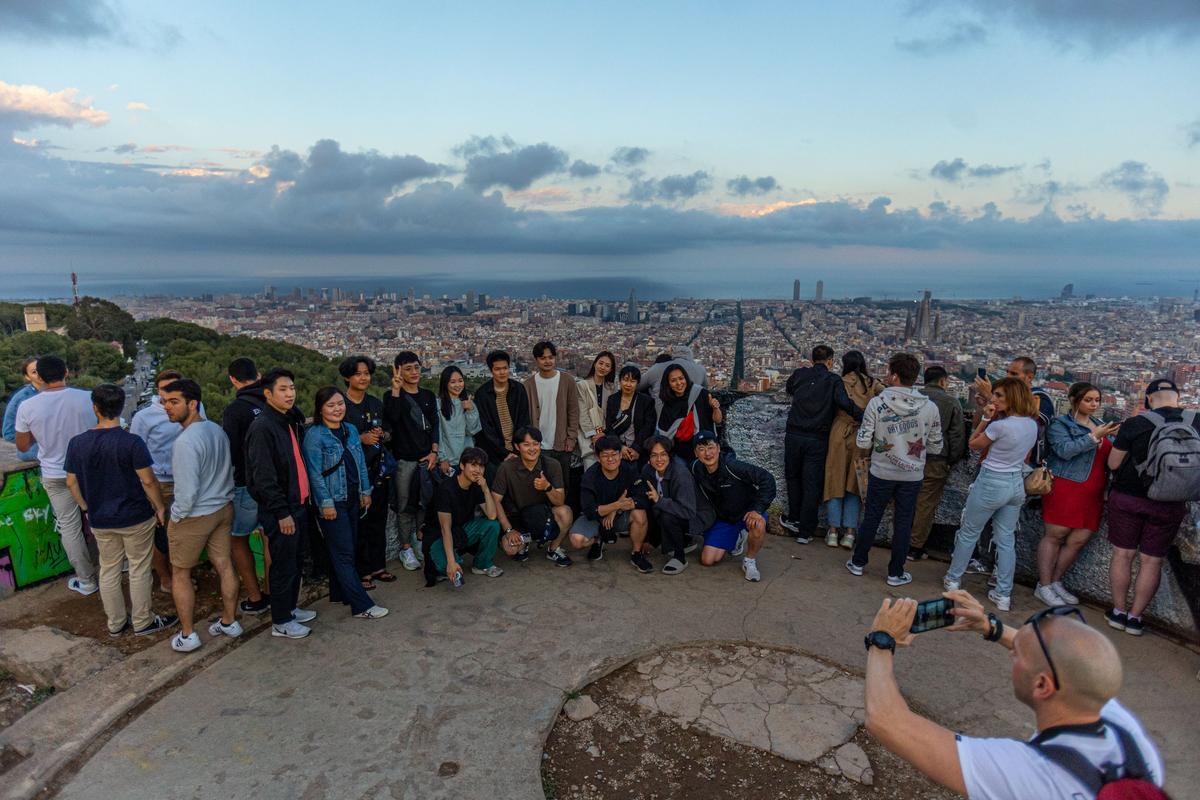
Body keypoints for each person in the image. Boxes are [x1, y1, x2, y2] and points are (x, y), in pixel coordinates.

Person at [862, 591, 1164, 799]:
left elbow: (887, 721)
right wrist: (991, 627)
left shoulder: (1031, 775)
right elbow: (1067, 664)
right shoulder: (1125, 731)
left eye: (1019, 655)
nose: (1012, 655)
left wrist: (881, 640)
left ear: (1043, 686)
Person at [63, 384, 176, 636]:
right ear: (121, 407)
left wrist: (86, 507)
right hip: (135, 515)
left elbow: (71, 481)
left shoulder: (77, 443)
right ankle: (143, 620)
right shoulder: (131, 442)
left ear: (95, 408)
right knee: (139, 568)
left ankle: (115, 622)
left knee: (109, 568)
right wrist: (159, 507)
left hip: (101, 517)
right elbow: (148, 480)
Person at [1105, 378, 1198, 636]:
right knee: (1152, 561)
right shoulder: (1196, 421)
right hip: (1171, 503)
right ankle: (1135, 618)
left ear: (1148, 399)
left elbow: (1113, 464)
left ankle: (1119, 612)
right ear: (1178, 398)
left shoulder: (1136, 423)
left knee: (1123, 555)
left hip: (1129, 498)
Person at [847, 353, 943, 586]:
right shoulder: (930, 407)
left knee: (872, 516)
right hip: (912, 474)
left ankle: (859, 563)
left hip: (881, 471)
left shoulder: (877, 403)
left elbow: (862, 442)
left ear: (894, 375)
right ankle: (895, 572)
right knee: (904, 521)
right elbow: (936, 446)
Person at [944, 377, 1040, 611]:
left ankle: (954, 579)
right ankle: (1004, 594)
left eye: (999, 396)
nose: (994, 399)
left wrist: (986, 418)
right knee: (1006, 540)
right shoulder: (1031, 424)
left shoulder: (999, 426)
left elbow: (973, 444)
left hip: (991, 481)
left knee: (969, 532)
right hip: (1016, 483)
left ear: (1013, 399)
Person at [160, 379, 242, 652]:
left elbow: (187, 489)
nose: (167, 408)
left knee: (180, 573)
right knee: (224, 564)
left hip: (196, 514)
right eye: (164, 402)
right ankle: (229, 621)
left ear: (192, 404)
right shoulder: (216, 429)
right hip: (223, 507)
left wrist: (177, 516)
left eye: (174, 402)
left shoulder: (185, 442)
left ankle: (188, 634)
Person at [14, 355, 99, 596]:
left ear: (39, 377)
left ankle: (87, 580)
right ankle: (119, 566)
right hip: (88, 471)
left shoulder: (27, 406)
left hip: (55, 474)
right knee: (101, 519)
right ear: (67, 372)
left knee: (69, 528)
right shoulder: (87, 398)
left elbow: (21, 446)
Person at [245, 368, 319, 639]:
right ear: (267, 394)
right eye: (283, 390)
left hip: (297, 504)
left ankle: (288, 608)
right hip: (282, 510)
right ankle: (281, 620)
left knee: (295, 560)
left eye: (292, 388)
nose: (290, 394)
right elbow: (263, 477)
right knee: (283, 564)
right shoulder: (263, 427)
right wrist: (280, 512)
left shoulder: (285, 420)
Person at [303, 386, 388, 620]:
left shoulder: (349, 429)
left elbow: (359, 461)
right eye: (331, 405)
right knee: (344, 553)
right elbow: (315, 473)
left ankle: (340, 593)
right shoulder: (315, 436)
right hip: (333, 500)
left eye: (340, 404)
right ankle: (362, 605)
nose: (337, 409)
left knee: (345, 548)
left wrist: (365, 490)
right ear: (320, 409)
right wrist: (325, 503)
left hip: (352, 496)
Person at [1037, 382, 1119, 607]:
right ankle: (1043, 585)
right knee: (1055, 535)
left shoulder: (1101, 424)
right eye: (1088, 400)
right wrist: (1094, 437)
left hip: (1093, 490)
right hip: (1066, 485)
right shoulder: (1060, 424)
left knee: (1079, 539)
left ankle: (1055, 582)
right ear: (1074, 399)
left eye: (1096, 400)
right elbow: (1064, 451)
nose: (1094, 404)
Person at [131, 368, 204, 595]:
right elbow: (136, 451)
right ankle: (166, 578)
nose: (169, 396)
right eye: (165, 390)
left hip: (190, 479)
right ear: (158, 390)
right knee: (161, 534)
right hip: (161, 482)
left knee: (185, 532)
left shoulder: (195, 406)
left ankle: (183, 574)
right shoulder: (144, 417)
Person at [782, 344, 862, 543]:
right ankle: (806, 532)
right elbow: (844, 403)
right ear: (830, 361)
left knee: (793, 478)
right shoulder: (833, 380)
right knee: (812, 484)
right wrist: (864, 416)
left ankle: (794, 519)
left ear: (812, 359)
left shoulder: (800, 374)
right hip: (817, 438)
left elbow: (789, 388)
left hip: (794, 434)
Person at [338, 355, 394, 590]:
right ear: (347, 377)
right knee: (359, 524)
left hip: (377, 471)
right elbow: (332, 437)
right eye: (358, 374)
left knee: (378, 520)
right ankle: (362, 571)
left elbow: (390, 431)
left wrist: (383, 435)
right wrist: (360, 438)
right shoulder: (341, 405)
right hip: (352, 474)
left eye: (366, 373)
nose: (364, 378)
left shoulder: (374, 403)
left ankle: (378, 565)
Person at [221, 357, 271, 616]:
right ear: (259, 375)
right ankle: (276, 592)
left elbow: (229, 450)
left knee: (238, 539)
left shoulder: (235, 410)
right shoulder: (272, 401)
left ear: (233, 380)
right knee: (268, 538)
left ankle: (255, 596)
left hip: (245, 485)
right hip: (274, 484)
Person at [689, 431, 775, 581]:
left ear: (718, 448)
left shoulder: (732, 466)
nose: (707, 453)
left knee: (758, 523)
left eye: (710, 447)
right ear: (696, 453)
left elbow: (767, 479)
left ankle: (750, 561)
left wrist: (757, 509)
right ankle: (738, 536)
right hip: (724, 518)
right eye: (701, 449)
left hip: (748, 513)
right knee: (708, 560)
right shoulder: (696, 468)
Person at [382, 350, 439, 572]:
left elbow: (434, 425)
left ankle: (418, 538)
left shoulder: (427, 395)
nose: (414, 372)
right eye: (408, 369)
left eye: (416, 367)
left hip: (426, 458)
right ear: (398, 371)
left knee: (424, 502)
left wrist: (434, 451)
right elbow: (392, 421)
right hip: (404, 460)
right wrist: (396, 389)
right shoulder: (391, 397)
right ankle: (405, 547)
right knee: (405, 506)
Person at [821, 350, 882, 549]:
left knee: (834, 479)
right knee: (855, 482)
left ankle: (832, 531)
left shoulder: (840, 381)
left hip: (840, 432)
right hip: (862, 435)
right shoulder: (873, 384)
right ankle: (849, 533)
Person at [491, 425, 574, 567]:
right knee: (510, 548)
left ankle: (553, 548)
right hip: (517, 517)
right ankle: (524, 543)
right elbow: (495, 500)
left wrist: (547, 487)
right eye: (526, 444)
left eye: (536, 444)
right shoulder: (506, 467)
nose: (532, 449)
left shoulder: (552, 465)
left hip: (542, 516)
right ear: (517, 447)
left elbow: (560, 501)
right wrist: (509, 530)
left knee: (565, 512)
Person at [909, 365, 967, 560]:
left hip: (907, 456)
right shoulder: (951, 402)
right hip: (936, 460)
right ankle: (914, 546)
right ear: (943, 381)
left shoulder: (912, 397)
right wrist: (951, 460)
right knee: (925, 504)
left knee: (903, 499)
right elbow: (957, 436)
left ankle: (899, 540)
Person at [573, 436, 652, 571]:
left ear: (621, 455)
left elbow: (643, 498)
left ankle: (637, 554)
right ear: (598, 457)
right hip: (597, 518)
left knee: (640, 513)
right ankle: (598, 540)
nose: (610, 459)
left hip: (620, 515)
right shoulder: (590, 476)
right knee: (577, 540)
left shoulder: (629, 470)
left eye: (614, 454)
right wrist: (616, 505)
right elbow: (589, 511)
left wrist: (618, 509)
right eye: (605, 455)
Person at [429, 447, 504, 584]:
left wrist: (486, 489)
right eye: (473, 465)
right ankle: (451, 560)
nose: (478, 470)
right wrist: (451, 562)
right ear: (462, 466)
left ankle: (482, 564)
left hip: (462, 531)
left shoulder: (477, 485)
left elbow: (492, 516)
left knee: (492, 525)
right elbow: (445, 529)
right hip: (439, 536)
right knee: (445, 567)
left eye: (481, 466)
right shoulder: (446, 489)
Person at [642, 435, 712, 575]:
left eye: (663, 454)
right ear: (649, 458)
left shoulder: (680, 473)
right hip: (674, 510)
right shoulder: (647, 471)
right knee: (652, 508)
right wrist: (651, 540)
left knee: (667, 515)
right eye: (654, 455)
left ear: (670, 455)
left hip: (697, 515)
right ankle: (683, 540)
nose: (659, 459)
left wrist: (659, 501)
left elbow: (687, 511)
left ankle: (680, 558)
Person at [523, 341, 580, 508]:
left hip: (561, 443)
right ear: (536, 360)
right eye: (543, 358)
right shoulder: (528, 384)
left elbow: (573, 411)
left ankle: (565, 516)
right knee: (538, 483)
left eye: (551, 357)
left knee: (563, 483)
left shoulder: (567, 380)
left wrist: (571, 438)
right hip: (538, 445)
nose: (547, 361)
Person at [975, 356, 1054, 463]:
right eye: (1007, 372)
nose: (1008, 376)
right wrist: (983, 405)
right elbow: (978, 425)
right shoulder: (1002, 396)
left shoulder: (1040, 397)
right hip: (991, 458)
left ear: (1029, 377)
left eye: (1014, 374)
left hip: (1022, 463)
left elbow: (1026, 423)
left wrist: (990, 397)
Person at [474, 350, 531, 477]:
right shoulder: (482, 394)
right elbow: (486, 429)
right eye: (497, 369)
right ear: (491, 370)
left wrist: (517, 449)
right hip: (493, 454)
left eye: (505, 368)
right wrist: (504, 453)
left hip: (518, 450)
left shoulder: (518, 389)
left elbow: (524, 420)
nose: (502, 372)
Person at [655, 363, 722, 463]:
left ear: (686, 378)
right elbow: (665, 432)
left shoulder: (700, 393)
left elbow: (717, 420)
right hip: (680, 453)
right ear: (668, 383)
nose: (679, 383)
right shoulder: (668, 403)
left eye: (681, 378)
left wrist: (716, 408)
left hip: (704, 450)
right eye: (673, 380)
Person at [605, 365, 655, 465]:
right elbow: (609, 426)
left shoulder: (646, 401)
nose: (628, 384)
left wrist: (636, 449)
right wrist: (620, 447)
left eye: (632, 381)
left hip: (639, 451)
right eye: (625, 380)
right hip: (616, 451)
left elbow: (648, 427)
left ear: (637, 383)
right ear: (619, 381)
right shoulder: (612, 400)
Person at [575, 351, 617, 469]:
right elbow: (582, 414)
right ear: (595, 364)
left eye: (607, 365)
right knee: (591, 471)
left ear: (611, 369)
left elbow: (612, 413)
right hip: (588, 438)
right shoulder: (582, 385)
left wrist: (605, 433)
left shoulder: (611, 388)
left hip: (606, 436)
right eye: (601, 363)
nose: (603, 367)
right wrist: (594, 435)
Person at [437, 365, 482, 473]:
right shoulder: (438, 404)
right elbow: (438, 433)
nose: (457, 385)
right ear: (445, 383)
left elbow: (472, 431)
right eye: (452, 382)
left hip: (468, 459)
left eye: (460, 381)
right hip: (447, 461)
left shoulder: (469, 404)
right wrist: (442, 458)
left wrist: (470, 410)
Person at [3, 356, 41, 462]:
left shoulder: (53, 392)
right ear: (27, 377)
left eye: (41, 369)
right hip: (33, 448)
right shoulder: (24, 398)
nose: (39, 374)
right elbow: (8, 434)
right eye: (34, 372)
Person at [638, 346, 707, 396]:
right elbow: (705, 390)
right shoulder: (701, 369)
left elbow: (637, 385)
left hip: (659, 411)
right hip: (691, 411)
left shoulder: (657, 367)